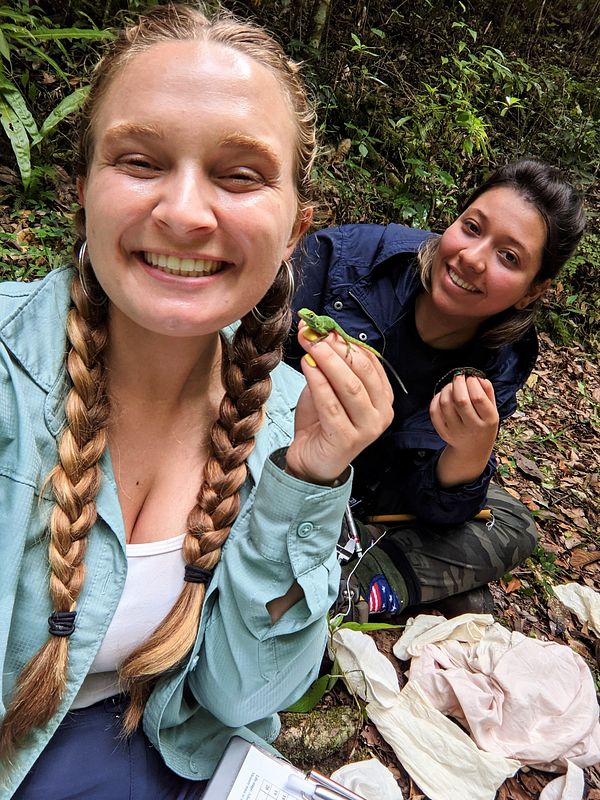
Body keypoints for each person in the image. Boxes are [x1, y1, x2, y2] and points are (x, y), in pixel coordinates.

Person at [0, 5, 394, 797]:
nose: (183, 213)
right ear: (83, 192)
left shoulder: (288, 418)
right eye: (140, 161)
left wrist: (308, 482)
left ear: (295, 232)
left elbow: (240, 698)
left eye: (240, 175)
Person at [286, 159, 585, 622]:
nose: (473, 258)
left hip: (377, 491)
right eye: (472, 228)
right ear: (453, 221)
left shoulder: (505, 358)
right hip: (285, 462)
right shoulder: (346, 259)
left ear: (532, 291)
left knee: (513, 522)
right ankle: (378, 573)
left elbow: (434, 505)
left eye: (509, 257)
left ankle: (357, 582)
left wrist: (469, 454)